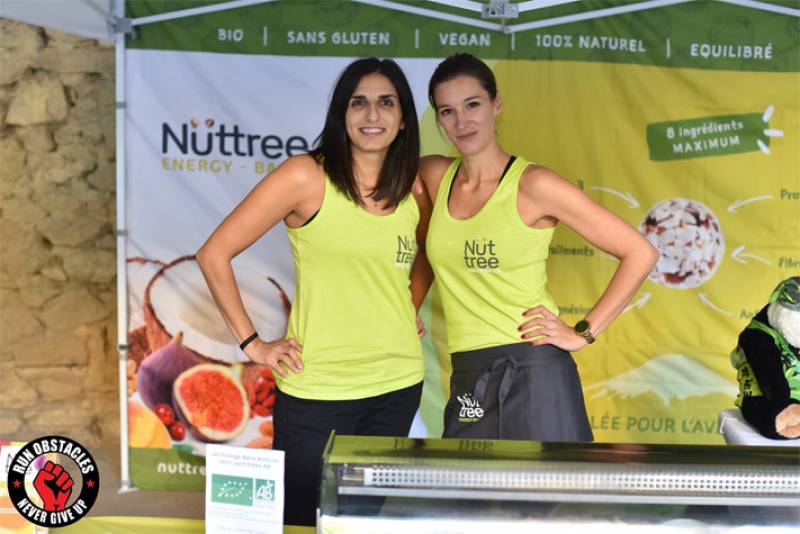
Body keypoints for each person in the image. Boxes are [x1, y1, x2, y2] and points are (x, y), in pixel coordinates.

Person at [197, 58, 432, 526]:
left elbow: (425, 254)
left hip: (397, 384)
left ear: (404, 118)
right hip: (318, 387)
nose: (372, 114)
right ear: (341, 114)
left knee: (361, 522)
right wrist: (253, 344)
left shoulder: (413, 187)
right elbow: (213, 253)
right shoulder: (306, 176)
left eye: (386, 103)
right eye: (358, 102)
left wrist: (407, 305)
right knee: (304, 521)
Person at [420, 53, 659, 442]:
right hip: (468, 373)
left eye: (472, 105)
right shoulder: (433, 175)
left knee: (549, 485)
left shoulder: (534, 185)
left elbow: (641, 253)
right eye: (448, 111)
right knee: (466, 482)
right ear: (439, 119)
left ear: (496, 104)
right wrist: (405, 307)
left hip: (534, 370)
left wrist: (582, 333)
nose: (461, 121)